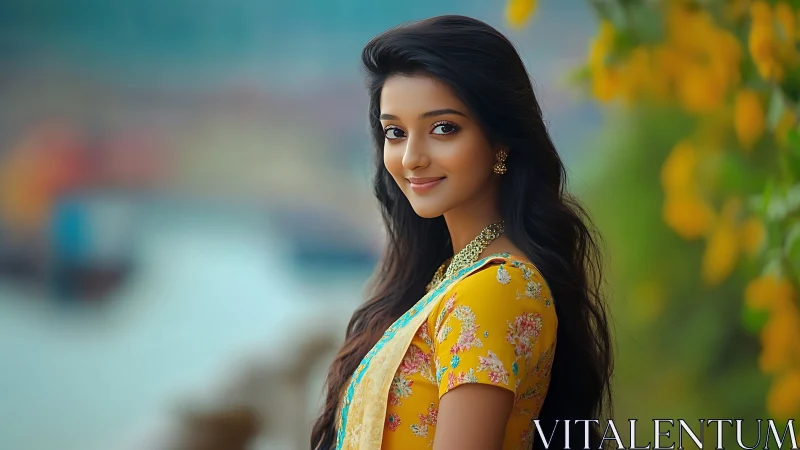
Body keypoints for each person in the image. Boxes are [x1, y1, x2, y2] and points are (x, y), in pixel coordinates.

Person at [311, 15, 613, 450]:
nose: (411, 158)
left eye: (443, 129)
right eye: (395, 132)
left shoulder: (495, 289)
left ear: (500, 141)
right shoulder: (453, 279)